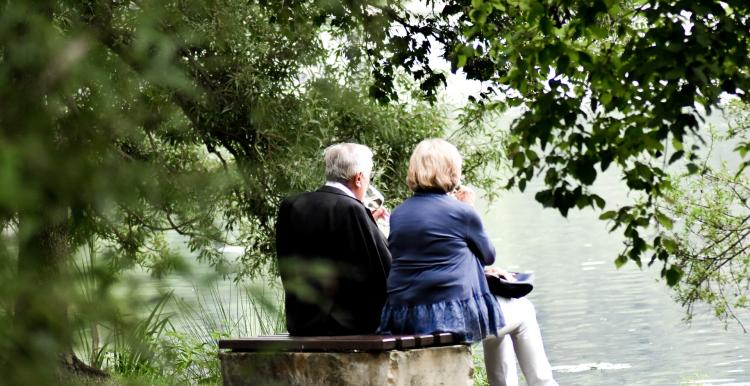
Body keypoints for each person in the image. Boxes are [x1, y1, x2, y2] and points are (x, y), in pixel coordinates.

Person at [378, 138, 557, 386]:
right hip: (450, 318)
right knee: (524, 311)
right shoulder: (461, 212)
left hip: (406, 316)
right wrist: (469, 207)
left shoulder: (399, 214)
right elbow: (488, 254)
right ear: (451, 170)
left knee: (497, 318)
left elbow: (428, 258)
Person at [275, 143, 391, 336]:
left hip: (301, 322)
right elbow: (382, 269)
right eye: (370, 176)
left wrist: (369, 223)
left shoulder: (291, 205)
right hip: (347, 325)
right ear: (359, 178)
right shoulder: (352, 209)